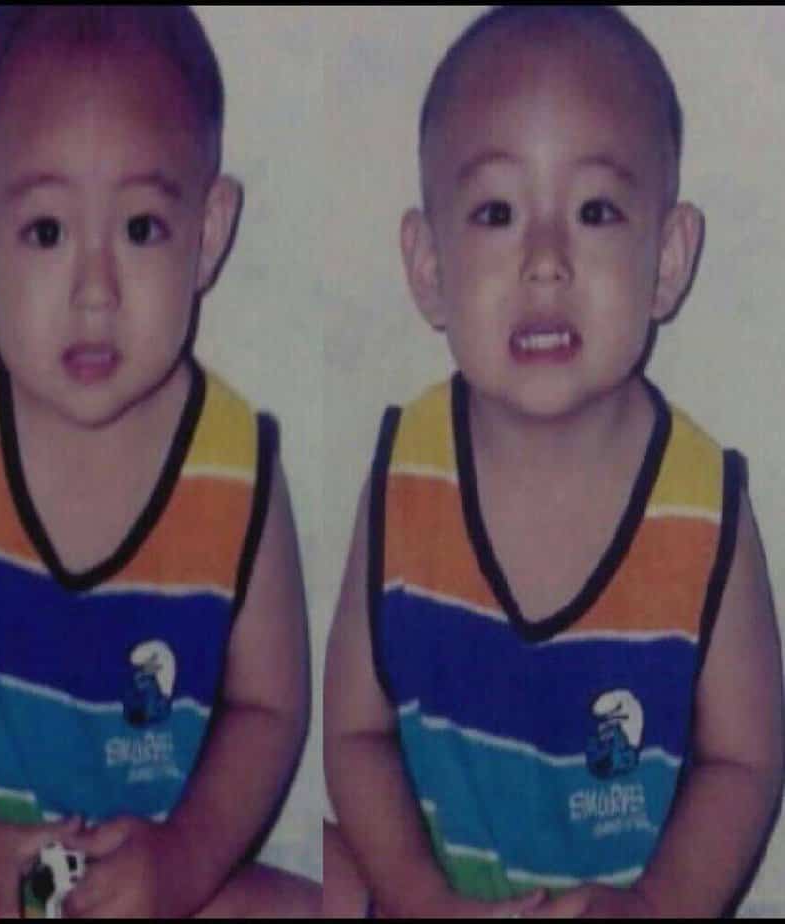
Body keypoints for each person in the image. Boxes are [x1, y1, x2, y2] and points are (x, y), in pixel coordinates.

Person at [324, 5, 783, 918]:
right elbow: (355, 735)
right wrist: (418, 897)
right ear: (428, 267)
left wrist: (657, 906)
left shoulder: (702, 513)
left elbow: (745, 761)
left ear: (668, 259)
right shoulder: (408, 474)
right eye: (497, 213)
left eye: (595, 211)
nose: (545, 261)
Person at [0, 6, 318, 917]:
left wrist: (183, 862)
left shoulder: (235, 472)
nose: (95, 290)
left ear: (208, 231)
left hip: (149, 892)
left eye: (141, 228)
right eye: (46, 233)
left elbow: (270, 712)